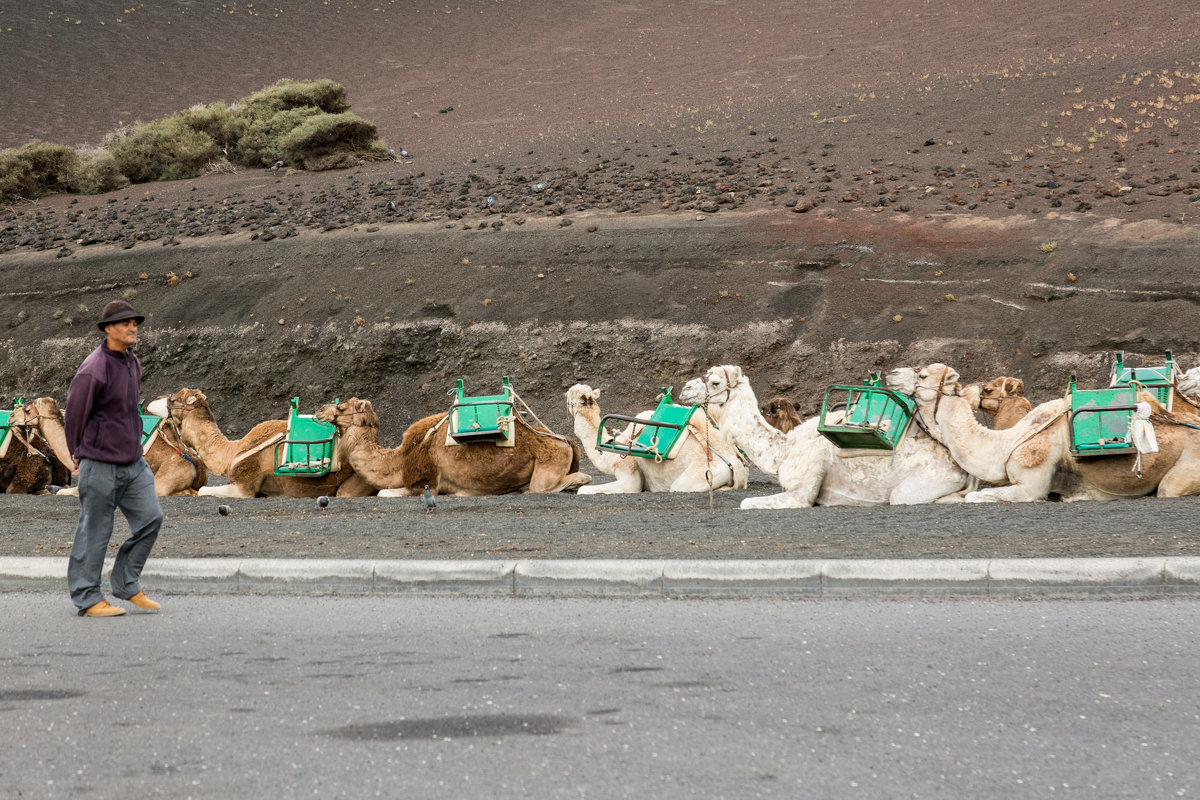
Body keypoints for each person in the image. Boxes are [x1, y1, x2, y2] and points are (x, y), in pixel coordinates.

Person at [65, 300, 164, 617]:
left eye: (135, 322)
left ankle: (125, 583)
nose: (132, 327)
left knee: (151, 518)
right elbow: (75, 415)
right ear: (108, 329)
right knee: (95, 531)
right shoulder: (93, 368)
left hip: (133, 463)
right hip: (100, 463)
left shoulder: (131, 361)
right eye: (125, 323)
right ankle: (87, 597)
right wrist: (76, 455)